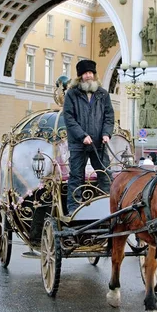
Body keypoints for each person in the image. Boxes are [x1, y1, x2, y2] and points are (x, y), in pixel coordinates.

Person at [63, 59, 114, 215]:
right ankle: (74, 209)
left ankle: (107, 204)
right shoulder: (72, 94)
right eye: (85, 73)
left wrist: (106, 133)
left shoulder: (102, 94)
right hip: (79, 144)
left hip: (99, 143)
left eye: (91, 73)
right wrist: (82, 135)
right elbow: (69, 118)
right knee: (76, 176)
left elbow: (109, 116)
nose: (88, 76)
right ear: (80, 76)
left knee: (105, 174)